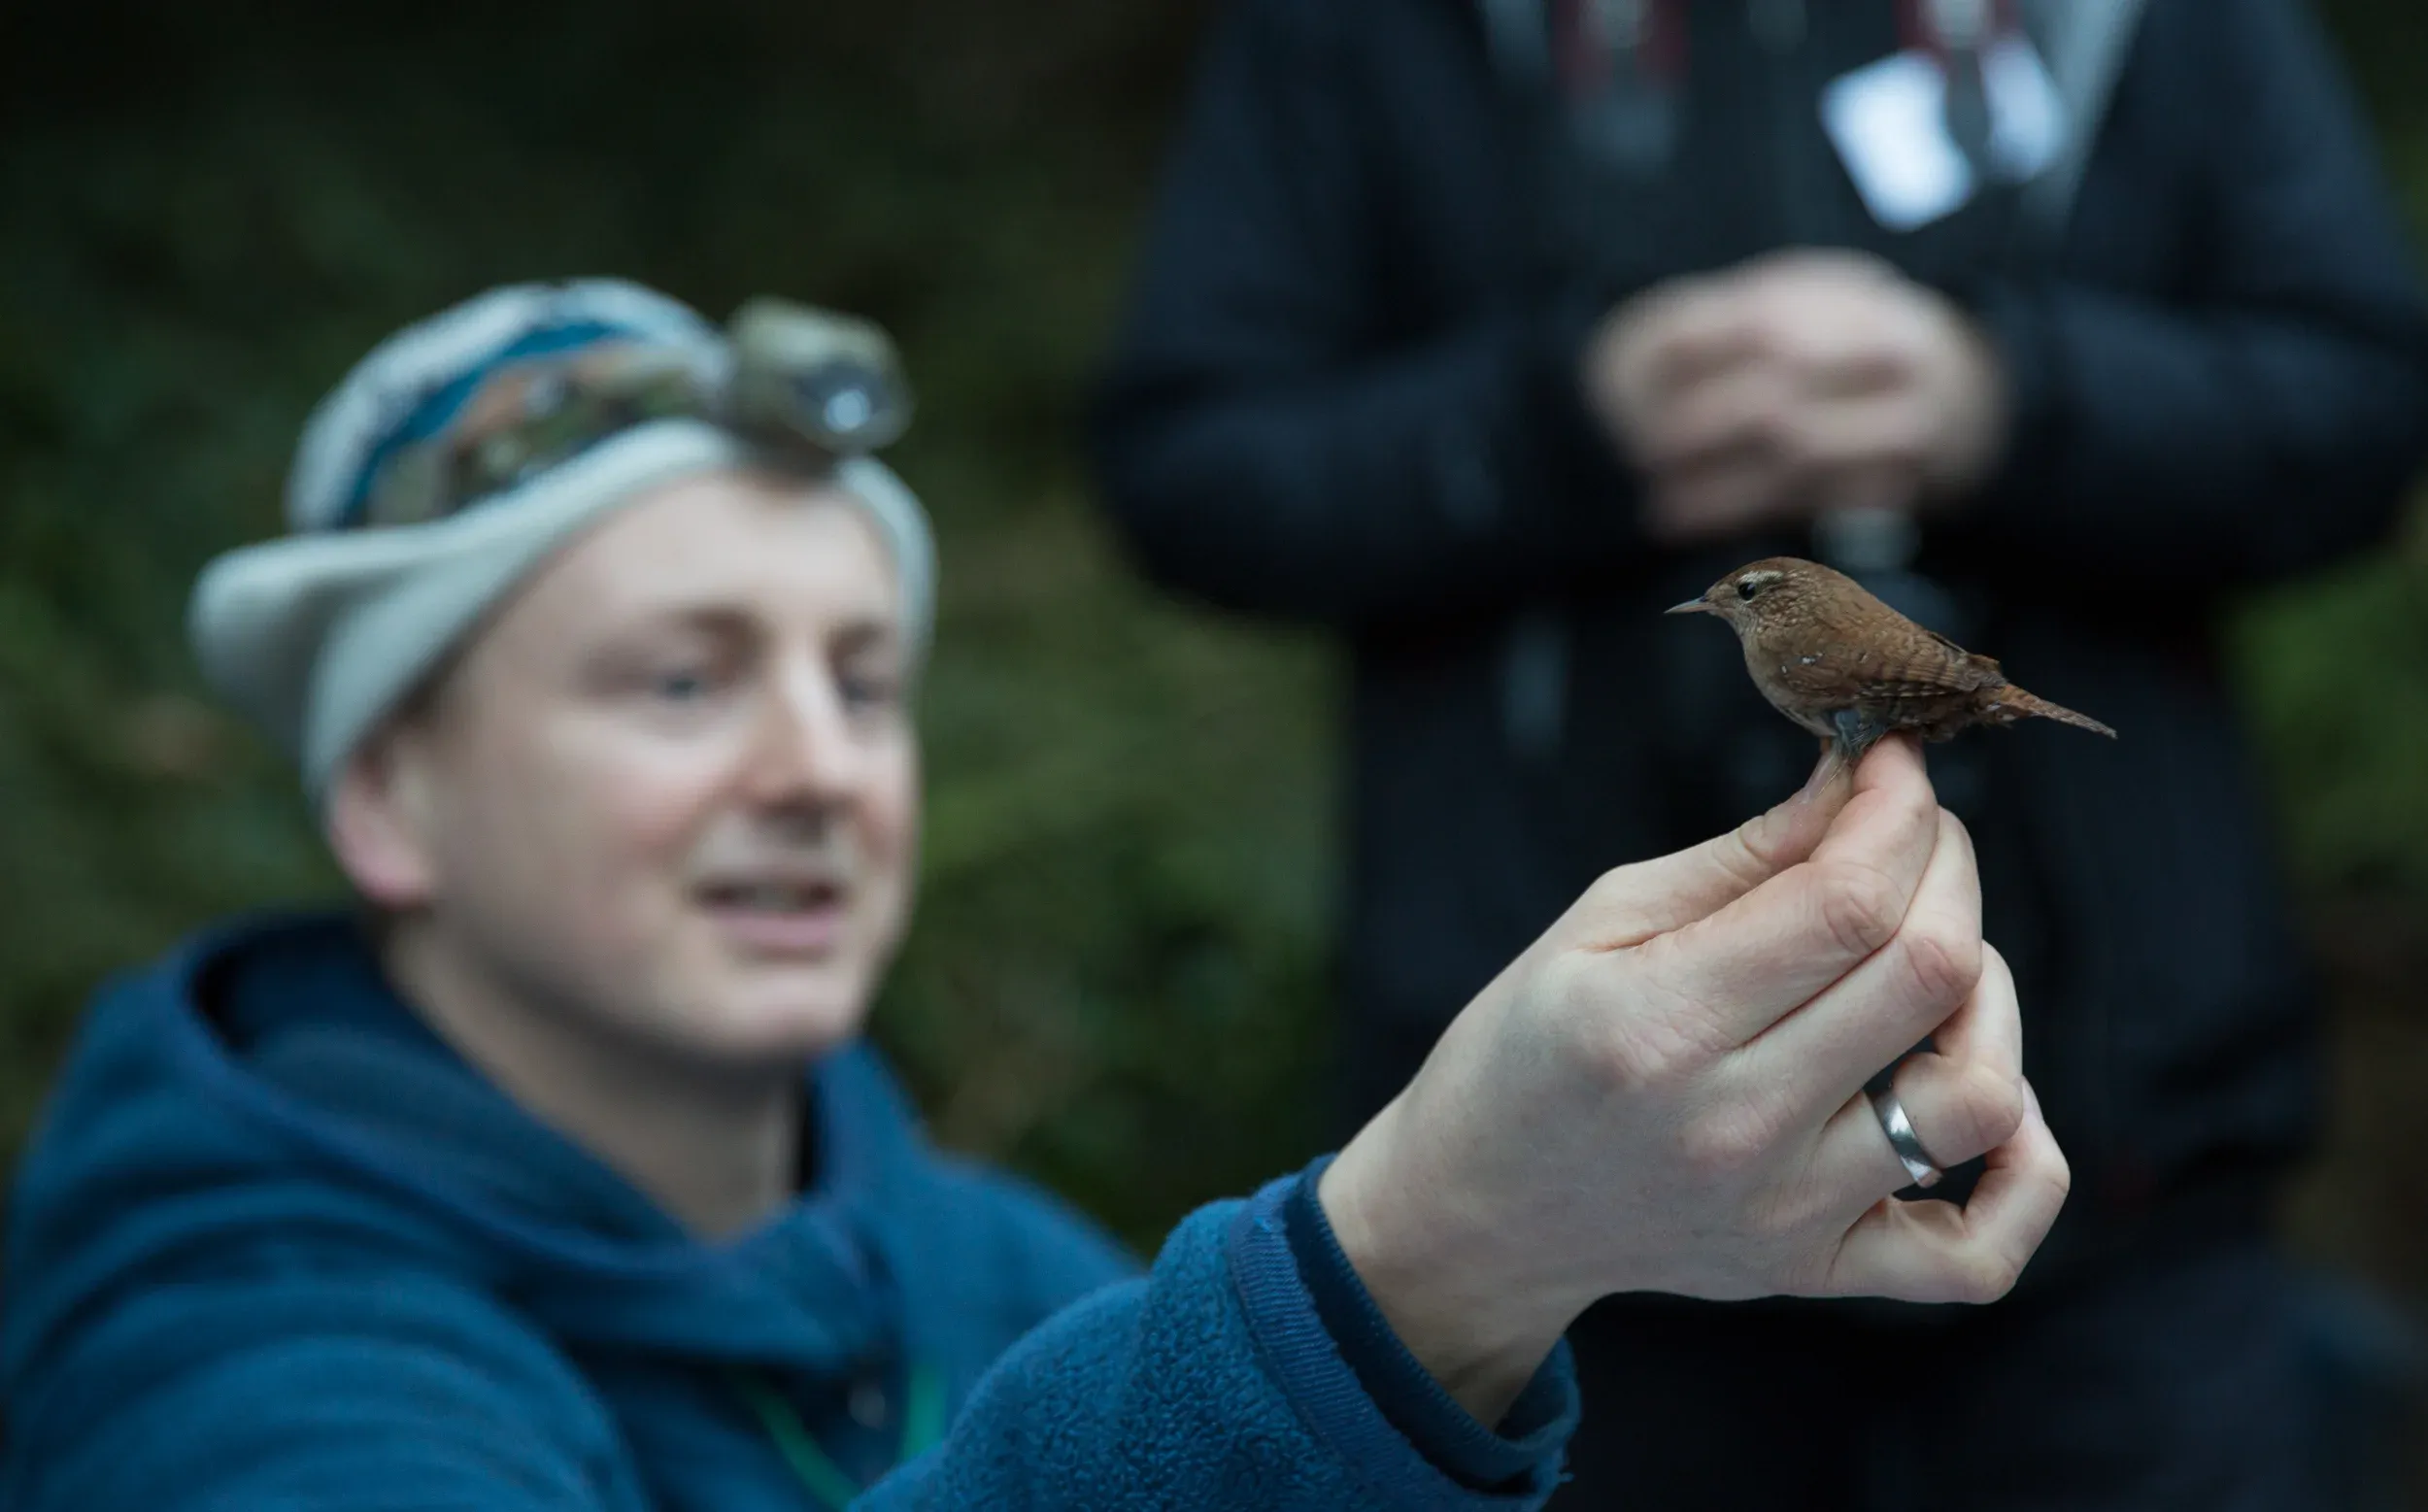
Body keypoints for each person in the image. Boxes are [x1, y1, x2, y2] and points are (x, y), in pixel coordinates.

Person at [0, 279, 2065, 1510]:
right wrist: (1418, 1268)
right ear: (387, 791)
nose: (814, 760)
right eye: (680, 675)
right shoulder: (235, 1351)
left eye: (862, 674)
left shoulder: (1016, 1275)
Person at [1087, 0, 2428, 1505]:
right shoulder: (1360, 36)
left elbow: (2369, 395)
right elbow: (1187, 461)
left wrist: (2017, 401)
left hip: (2128, 1189)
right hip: (1579, 1239)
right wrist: (1560, 424)